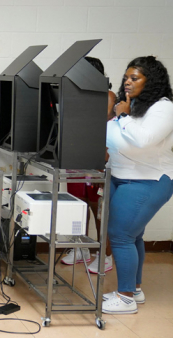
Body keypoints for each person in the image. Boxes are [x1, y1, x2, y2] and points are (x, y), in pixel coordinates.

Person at [102, 56, 173, 314]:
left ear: (150, 81)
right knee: (134, 236)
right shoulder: (136, 105)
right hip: (124, 176)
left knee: (120, 236)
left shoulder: (164, 108)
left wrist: (123, 115)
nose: (128, 82)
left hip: (149, 179)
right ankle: (135, 289)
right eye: (126, 77)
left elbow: (144, 140)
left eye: (135, 78)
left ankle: (125, 298)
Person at [62, 56, 116, 274]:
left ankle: (105, 255)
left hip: (97, 160)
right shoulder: (75, 97)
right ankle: (81, 247)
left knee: (98, 209)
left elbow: (97, 120)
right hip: (77, 158)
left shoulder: (108, 96)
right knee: (78, 205)